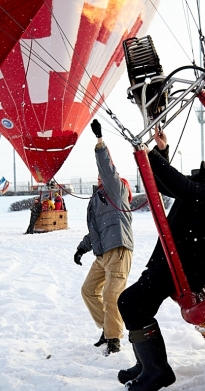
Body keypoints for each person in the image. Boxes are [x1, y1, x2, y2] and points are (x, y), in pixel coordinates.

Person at [117, 126, 205, 391]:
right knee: (137, 306)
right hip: (172, 258)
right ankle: (147, 364)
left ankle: (157, 371)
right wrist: (160, 152)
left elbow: (182, 187)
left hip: (185, 265)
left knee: (131, 303)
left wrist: (147, 155)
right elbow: (166, 185)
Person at [74, 119, 134, 356]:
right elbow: (95, 232)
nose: (101, 178)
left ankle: (114, 339)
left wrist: (100, 142)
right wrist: (81, 248)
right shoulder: (97, 201)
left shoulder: (116, 190)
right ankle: (108, 328)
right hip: (102, 255)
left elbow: (107, 168)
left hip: (119, 250)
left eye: (105, 177)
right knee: (88, 290)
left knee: (111, 295)